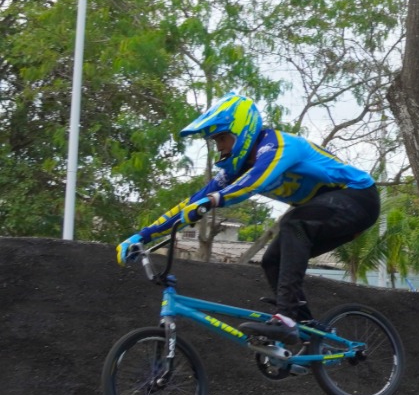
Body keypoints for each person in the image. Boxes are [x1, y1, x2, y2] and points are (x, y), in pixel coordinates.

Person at [115, 93, 380, 343]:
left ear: (242, 131)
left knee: (293, 223)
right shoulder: (237, 167)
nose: (219, 148)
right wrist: (143, 235)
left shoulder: (277, 146)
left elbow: (254, 182)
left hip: (358, 198)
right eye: (215, 142)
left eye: (221, 139)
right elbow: (193, 201)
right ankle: (305, 328)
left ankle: (286, 318)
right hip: (329, 210)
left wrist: (214, 200)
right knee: (271, 260)